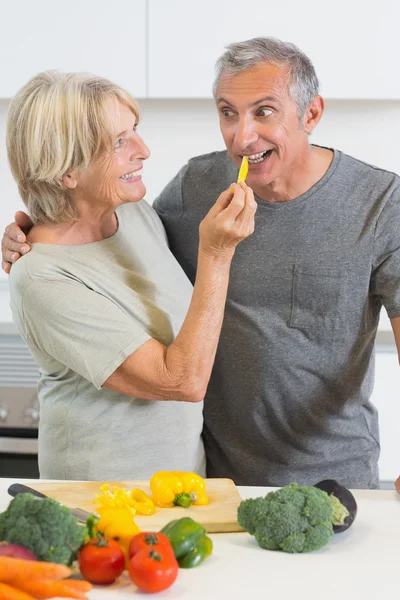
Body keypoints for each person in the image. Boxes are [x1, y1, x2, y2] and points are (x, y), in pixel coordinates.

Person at [3, 38, 400, 489]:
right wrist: (29, 236)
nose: (242, 136)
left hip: (330, 472)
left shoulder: (381, 204)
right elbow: (80, 234)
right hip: (207, 480)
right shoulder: (194, 187)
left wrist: (36, 228)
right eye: (227, 112)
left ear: (310, 114)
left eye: (264, 111)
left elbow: (97, 228)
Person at [1, 71, 256, 481]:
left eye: (135, 130)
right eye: (119, 142)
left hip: (177, 486)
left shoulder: (133, 214)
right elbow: (182, 381)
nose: (144, 150)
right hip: (101, 503)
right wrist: (218, 253)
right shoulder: (41, 276)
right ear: (67, 171)